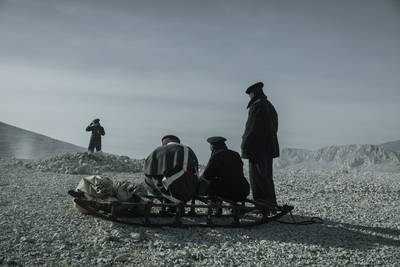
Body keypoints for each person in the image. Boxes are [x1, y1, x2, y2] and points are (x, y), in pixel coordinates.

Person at [241, 82, 279, 205]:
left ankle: (262, 203)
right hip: (269, 148)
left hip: (257, 148)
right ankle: (270, 201)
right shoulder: (269, 106)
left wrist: (244, 146)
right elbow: (275, 127)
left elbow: (251, 128)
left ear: (253, 93)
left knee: (257, 178)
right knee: (266, 176)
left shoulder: (257, 106)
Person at [143, 135, 199, 203]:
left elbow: (147, 170)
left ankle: (165, 201)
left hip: (170, 188)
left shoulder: (159, 150)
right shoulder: (189, 150)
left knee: (147, 179)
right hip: (189, 189)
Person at [200, 136, 250, 202]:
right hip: (241, 190)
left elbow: (207, 175)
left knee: (203, 179)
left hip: (226, 191)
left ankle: (215, 204)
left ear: (213, 146)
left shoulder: (216, 155)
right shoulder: (235, 154)